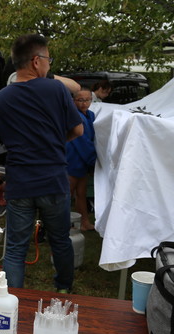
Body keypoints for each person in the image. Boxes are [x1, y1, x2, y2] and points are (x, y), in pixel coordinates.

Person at [0, 34, 83, 292]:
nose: (49, 64)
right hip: (54, 182)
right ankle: (63, 291)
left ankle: (12, 299)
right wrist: (54, 143)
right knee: (60, 241)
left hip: (20, 184)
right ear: (36, 61)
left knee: (16, 249)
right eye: (48, 59)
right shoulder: (57, 90)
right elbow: (78, 130)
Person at [67, 87, 97, 231]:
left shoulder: (91, 115)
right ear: (73, 101)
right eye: (80, 100)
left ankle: (84, 222)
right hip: (72, 158)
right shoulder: (74, 116)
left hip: (84, 160)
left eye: (87, 100)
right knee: (67, 194)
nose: (84, 103)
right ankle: (62, 226)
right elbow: (82, 141)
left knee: (82, 193)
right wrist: (93, 161)